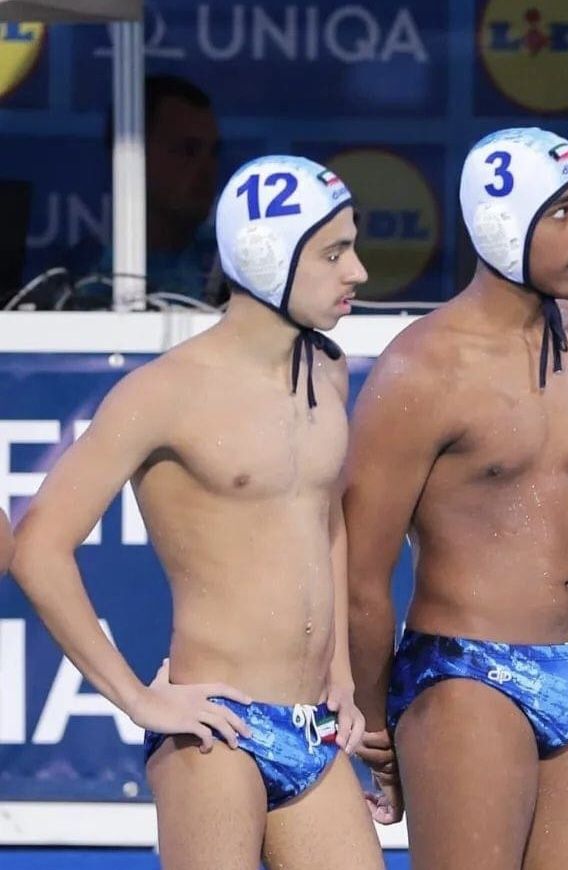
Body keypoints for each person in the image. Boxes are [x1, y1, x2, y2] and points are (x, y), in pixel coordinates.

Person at [11, 156, 382, 869]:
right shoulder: (164, 393)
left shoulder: (328, 370)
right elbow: (37, 547)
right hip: (216, 730)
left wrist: (339, 667)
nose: (358, 272)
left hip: (312, 724)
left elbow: (325, 518)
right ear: (268, 257)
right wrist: (136, 699)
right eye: (334, 253)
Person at [345, 128, 568, 870]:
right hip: (466, 677)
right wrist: (375, 727)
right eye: (563, 211)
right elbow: (361, 575)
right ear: (503, 225)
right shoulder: (422, 370)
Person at [71, 74, 223, 306]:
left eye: (213, 152)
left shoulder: (233, 268)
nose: (207, 169)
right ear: (131, 158)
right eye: (188, 150)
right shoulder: (81, 278)